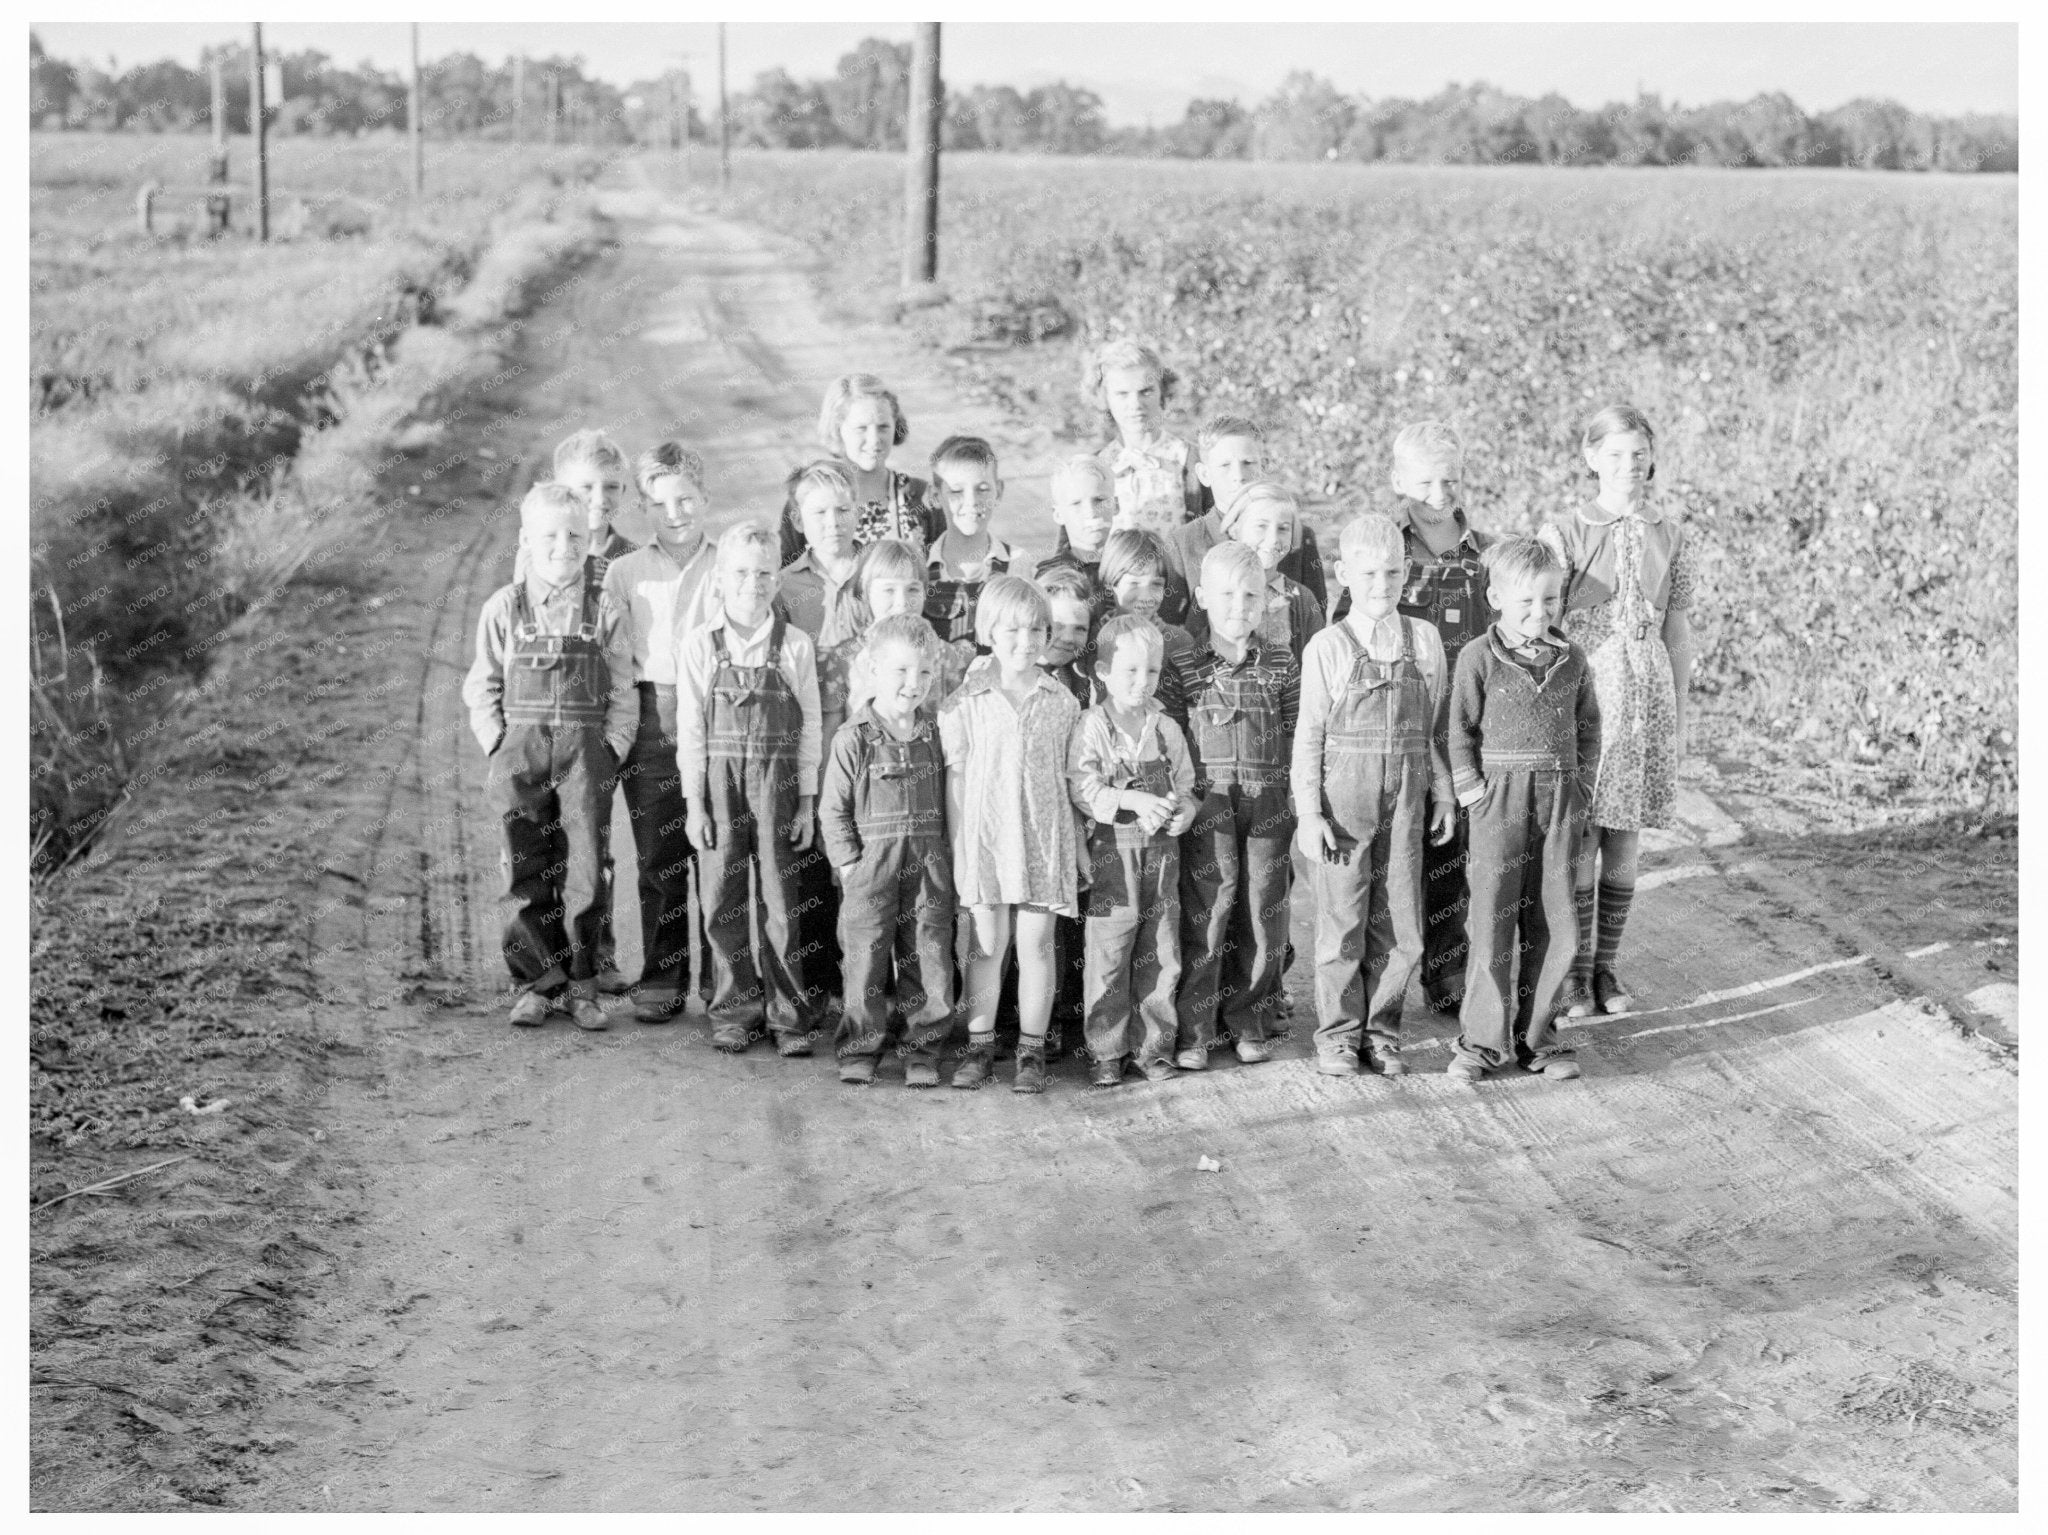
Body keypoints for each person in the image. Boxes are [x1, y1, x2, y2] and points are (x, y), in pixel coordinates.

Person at [462, 484, 637, 1031]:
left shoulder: (605, 607)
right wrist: (496, 742)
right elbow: (482, 684)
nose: (563, 546)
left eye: (575, 535)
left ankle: (583, 985)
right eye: (550, 535)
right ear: (526, 539)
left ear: (589, 540)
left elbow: (624, 688)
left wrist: (611, 748)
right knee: (523, 865)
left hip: (586, 753)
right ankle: (537, 983)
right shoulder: (504, 608)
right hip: (520, 752)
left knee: (587, 866)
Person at [1541, 404, 1695, 1019]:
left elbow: (1677, 627)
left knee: (1624, 834)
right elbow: (1545, 624)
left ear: (1652, 457)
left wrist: (1679, 713)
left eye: (1638, 454)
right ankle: (1573, 971)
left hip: (1646, 695)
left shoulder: (1669, 531)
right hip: (1587, 691)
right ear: (1590, 459)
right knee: (1582, 831)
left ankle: (1606, 966)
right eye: (1614, 455)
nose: (1628, 466)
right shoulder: (1567, 530)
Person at [1291, 514, 1456, 1077]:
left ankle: (1381, 1031)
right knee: (1342, 919)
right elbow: (1309, 736)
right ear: (1342, 574)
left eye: (1392, 572)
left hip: (1408, 798)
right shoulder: (1327, 647)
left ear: (1406, 572)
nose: (1381, 584)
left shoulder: (1425, 640)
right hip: (1344, 804)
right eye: (1368, 574)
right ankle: (1338, 1035)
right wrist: (1308, 813)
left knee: (1398, 920)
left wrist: (1443, 794)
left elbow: (1434, 729)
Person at [1445, 537, 1601, 1082]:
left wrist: (1580, 789)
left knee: (1556, 920)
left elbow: (1590, 729)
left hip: (1559, 799)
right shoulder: (1477, 658)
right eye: (1526, 603)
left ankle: (1541, 1039)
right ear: (1495, 598)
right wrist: (1473, 793)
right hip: (1498, 802)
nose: (1540, 613)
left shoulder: (1574, 660)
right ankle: (1481, 1043)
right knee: (1490, 921)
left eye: (1552, 601)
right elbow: (1459, 730)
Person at [678, 522, 823, 1056]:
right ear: (720, 578)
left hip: (779, 784)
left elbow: (811, 728)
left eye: (764, 573)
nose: (752, 583)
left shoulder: (796, 646)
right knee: (722, 898)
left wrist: (807, 799)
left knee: (782, 901)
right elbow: (691, 731)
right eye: (740, 572)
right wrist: (695, 805)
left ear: (778, 579)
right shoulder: (700, 645)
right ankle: (734, 1010)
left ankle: (788, 1016)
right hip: (720, 786)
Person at [938, 575, 1084, 1093]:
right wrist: (959, 848)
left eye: (1036, 629)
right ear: (989, 632)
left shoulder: (1062, 702)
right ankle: (978, 1049)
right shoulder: (966, 701)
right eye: (1012, 629)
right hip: (986, 840)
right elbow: (955, 778)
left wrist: (1080, 847)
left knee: (1039, 945)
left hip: (1044, 842)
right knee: (984, 945)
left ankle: (1031, 1051)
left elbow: (1072, 782)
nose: (1025, 641)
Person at [600, 442, 723, 1022]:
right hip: (653, 713)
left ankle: (725, 982)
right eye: (658, 503)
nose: (674, 514)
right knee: (660, 856)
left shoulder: (728, 565)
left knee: (719, 853)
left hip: (719, 715)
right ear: (643, 509)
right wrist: (623, 730)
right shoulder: (626, 573)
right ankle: (663, 976)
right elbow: (619, 660)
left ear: (705, 498)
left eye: (685, 500)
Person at [516, 429, 642, 993]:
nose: (599, 497)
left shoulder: (625, 559)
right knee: (538, 844)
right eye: (585, 485)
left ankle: (599, 952)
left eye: (611, 487)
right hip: (539, 719)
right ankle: (543, 963)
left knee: (595, 843)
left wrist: (616, 737)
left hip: (599, 715)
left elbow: (624, 654)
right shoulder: (534, 555)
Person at [1175, 541, 1301, 1069]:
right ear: (1202, 596)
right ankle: (1196, 1028)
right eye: (1225, 594)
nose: (1238, 606)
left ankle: (1249, 1017)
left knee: (1263, 907)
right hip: (1210, 803)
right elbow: (1171, 738)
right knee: (1212, 904)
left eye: (1251, 595)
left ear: (1267, 600)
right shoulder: (1184, 664)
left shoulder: (1280, 661)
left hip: (1269, 800)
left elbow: (1299, 731)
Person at [1386, 420, 1497, 1015]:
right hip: (1402, 720)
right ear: (1399, 479)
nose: (1439, 491)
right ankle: (1385, 971)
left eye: (1449, 479)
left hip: (1464, 721)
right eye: (1425, 480)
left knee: (1452, 850)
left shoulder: (1482, 553)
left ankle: (1447, 968)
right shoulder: (1388, 548)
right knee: (1400, 848)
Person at [820, 616, 956, 1089]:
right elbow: (832, 811)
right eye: (900, 671)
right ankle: (860, 1048)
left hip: (929, 867)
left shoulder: (939, 735)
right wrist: (851, 865)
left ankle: (924, 1050)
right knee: (864, 959)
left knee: (929, 955)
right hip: (870, 871)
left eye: (922, 673)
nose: (911, 684)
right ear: (873, 669)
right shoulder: (853, 738)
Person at [1068, 615, 1198, 1086]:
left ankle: (1155, 1046)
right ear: (1102, 672)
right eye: (1130, 671)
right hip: (1112, 854)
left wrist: (1187, 810)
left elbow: (1185, 785)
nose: (1142, 683)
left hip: (1162, 855)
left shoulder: (1165, 729)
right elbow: (1083, 789)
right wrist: (1129, 798)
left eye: (1152, 672)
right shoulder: (1092, 727)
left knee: (1161, 948)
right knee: (1110, 950)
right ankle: (1106, 1048)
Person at [1161, 417, 1328, 625]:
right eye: (1224, 465)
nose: (1238, 476)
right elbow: (1172, 625)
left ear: (1264, 466)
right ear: (1204, 474)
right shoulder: (1183, 542)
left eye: (1248, 463)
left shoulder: (1297, 537)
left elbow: (1315, 619)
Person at [779, 374, 943, 565]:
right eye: (861, 428)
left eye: (883, 427)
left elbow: (943, 571)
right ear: (838, 429)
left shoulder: (921, 496)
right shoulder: (809, 499)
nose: (874, 440)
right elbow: (783, 574)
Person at [1189, 481, 1325, 665]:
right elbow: (1191, 654)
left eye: (1283, 528)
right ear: (1235, 528)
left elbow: (1317, 663)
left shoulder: (1303, 599)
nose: (1273, 538)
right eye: (1261, 526)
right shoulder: (1214, 590)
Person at [1086, 338, 1199, 539]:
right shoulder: (1095, 466)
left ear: (1163, 392)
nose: (1135, 404)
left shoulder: (1191, 459)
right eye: (1122, 394)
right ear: (1105, 399)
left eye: (1145, 391)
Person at [923, 434, 1020, 652]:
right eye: (956, 491)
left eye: (983, 489)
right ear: (935, 495)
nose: (971, 501)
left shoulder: (1017, 564)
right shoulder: (919, 566)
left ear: (999, 491)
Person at [1097, 529, 1195, 731]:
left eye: (1156, 584)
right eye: (1134, 583)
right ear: (1110, 585)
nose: (1146, 595)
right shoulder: (1095, 639)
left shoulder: (1179, 643)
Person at [777, 460, 865, 647]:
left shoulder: (878, 570)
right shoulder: (784, 586)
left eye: (843, 510)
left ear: (857, 514)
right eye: (820, 512)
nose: (833, 522)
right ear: (798, 521)